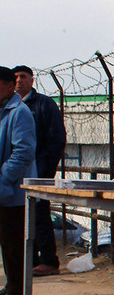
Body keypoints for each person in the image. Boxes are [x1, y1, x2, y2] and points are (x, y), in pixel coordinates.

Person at [13, 65, 66, 276]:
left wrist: (44, 171)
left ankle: (49, 261)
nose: (18, 81)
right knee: (22, 218)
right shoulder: (11, 106)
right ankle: (31, 260)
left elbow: (56, 139)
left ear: (32, 80)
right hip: (17, 173)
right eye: (15, 77)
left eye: (23, 77)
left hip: (38, 172)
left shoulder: (43, 105)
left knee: (40, 215)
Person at [0, 66, 37, 295]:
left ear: (6, 85)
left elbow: (23, 151)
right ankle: (11, 285)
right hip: (4, 190)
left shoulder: (19, 112)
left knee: (14, 241)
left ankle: (18, 290)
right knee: (6, 241)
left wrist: (3, 178)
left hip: (13, 190)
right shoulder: (4, 110)